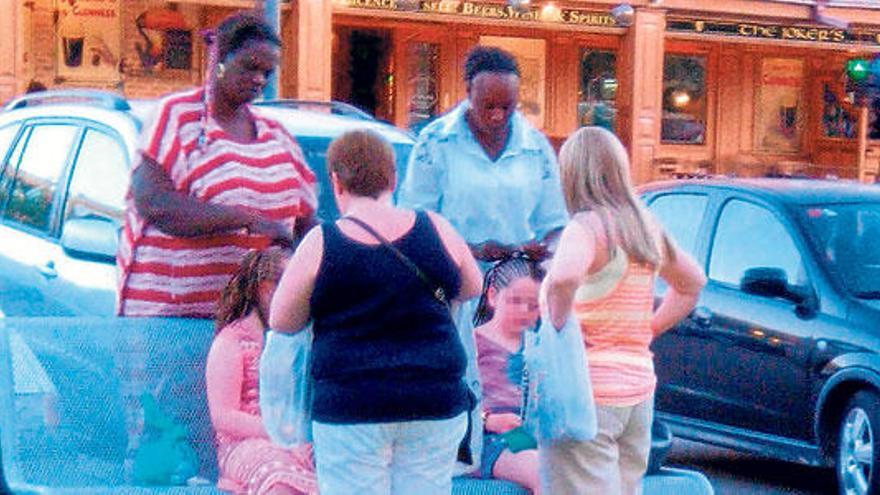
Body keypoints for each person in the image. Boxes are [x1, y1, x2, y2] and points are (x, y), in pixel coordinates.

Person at [269, 129, 483, 495]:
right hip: (433, 400)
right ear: (393, 178)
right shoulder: (437, 228)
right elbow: (471, 287)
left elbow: (281, 320)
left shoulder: (323, 242)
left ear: (335, 182)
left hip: (351, 406)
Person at [398, 45, 569, 467]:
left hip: (518, 293)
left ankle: (511, 459)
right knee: (462, 381)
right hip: (456, 287)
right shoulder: (435, 142)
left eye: (507, 106)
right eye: (487, 105)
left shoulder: (534, 146)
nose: (497, 115)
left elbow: (556, 223)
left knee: (511, 388)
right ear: (466, 92)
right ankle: (461, 464)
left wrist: (541, 255)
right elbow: (414, 222)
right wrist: (471, 250)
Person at [117, 12, 318, 318]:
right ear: (220, 59)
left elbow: (304, 224)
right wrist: (246, 220)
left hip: (250, 323)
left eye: (267, 72)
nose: (259, 80)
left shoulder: (277, 137)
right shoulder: (177, 117)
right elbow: (155, 204)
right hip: (170, 320)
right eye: (250, 67)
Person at [541, 126, 707, 495]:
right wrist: (648, 329)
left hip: (586, 392)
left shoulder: (585, 227)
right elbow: (692, 282)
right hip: (637, 390)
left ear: (571, 173)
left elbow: (564, 278)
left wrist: (559, 325)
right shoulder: (644, 226)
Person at [206, 247, 317, 495]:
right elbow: (223, 416)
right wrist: (283, 435)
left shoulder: (299, 340)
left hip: (298, 441)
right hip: (244, 445)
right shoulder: (232, 341)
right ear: (266, 290)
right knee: (279, 481)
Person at [473, 256, 542, 494]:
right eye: (515, 301)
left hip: (524, 434)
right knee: (545, 473)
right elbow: (450, 400)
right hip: (487, 439)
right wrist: (487, 420)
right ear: (493, 296)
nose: (524, 311)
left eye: (533, 305)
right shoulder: (472, 343)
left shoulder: (537, 347)